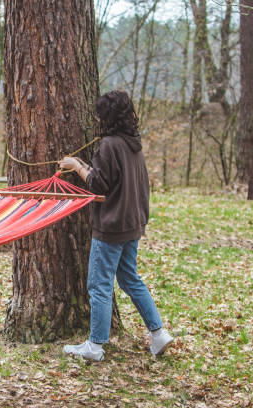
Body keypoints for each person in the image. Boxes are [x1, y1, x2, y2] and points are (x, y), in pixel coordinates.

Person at [58, 90, 172, 361]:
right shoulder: (132, 143)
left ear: (106, 116)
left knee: (99, 284)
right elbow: (108, 177)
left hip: (112, 227)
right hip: (132, 224)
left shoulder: (109, 144)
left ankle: (95, 346)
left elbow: (99, 184)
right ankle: (158, 334)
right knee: (129, 279)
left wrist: (75, 166)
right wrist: (84, 165)